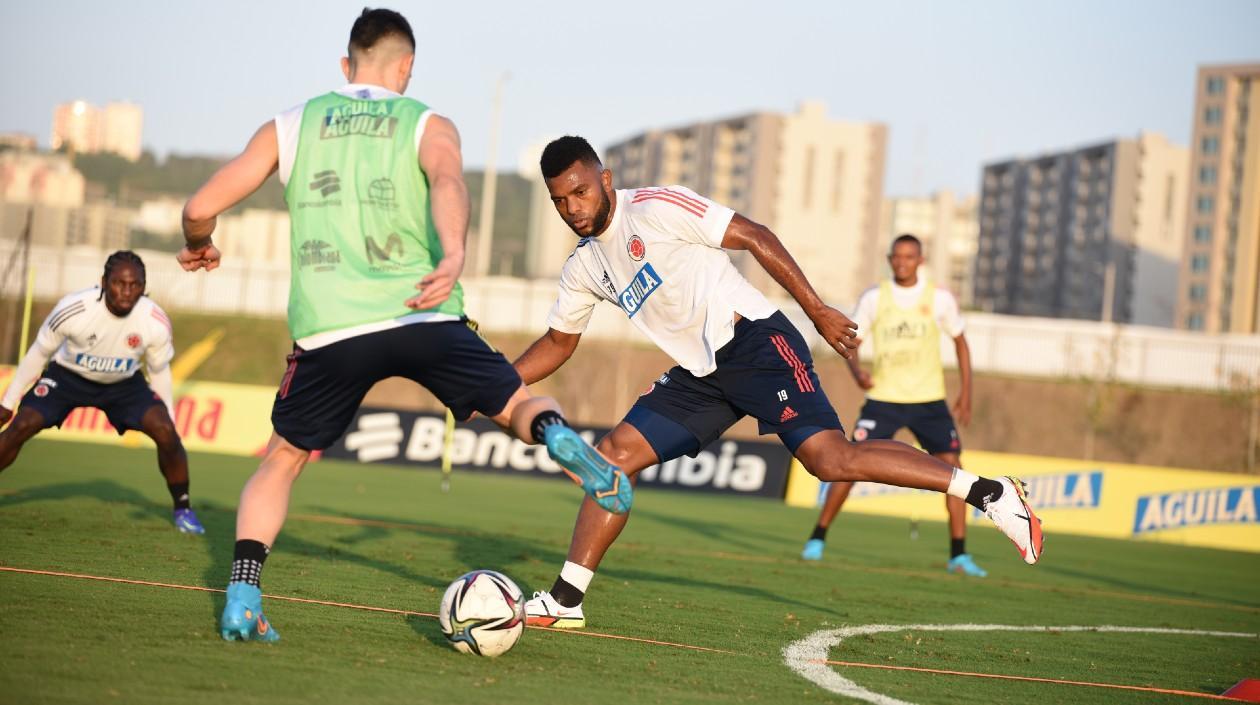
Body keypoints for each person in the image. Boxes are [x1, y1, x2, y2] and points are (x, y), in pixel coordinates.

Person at [177, 9, 630, 643]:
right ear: (406, 67)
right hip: (424, 310)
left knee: (282, 459)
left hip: (331, 327)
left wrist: (199, 241)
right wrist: (453, 253)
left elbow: (200, 206)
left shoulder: (291, 124)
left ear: (346, 65)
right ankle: (558, 438)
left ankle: (244, 592)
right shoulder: (427, 123)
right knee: (514, 403)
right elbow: (447, 182)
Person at [514, 136, 1043, 629]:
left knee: (831, 461)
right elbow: (558, 343)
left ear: (605, 179)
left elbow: (755, 236)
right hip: (700, 372)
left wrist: (817, 311)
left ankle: (990, 492)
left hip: (755, 343)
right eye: (560, 201)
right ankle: (566, 601)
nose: (572, 208)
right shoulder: (583, 267)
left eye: (580, 192)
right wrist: (497, 382)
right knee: (611, 460)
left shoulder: (655, 207)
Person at [801, 234, 985, 576]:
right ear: (889, 259)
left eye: (909, 256)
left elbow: (961, 342)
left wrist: (966, 393)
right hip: (883, 398)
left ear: (920, 261)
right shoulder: (874, 297)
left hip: (928, 400)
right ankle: (817, 538)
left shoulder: (940, 298)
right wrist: (857, 373)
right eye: (896, 256)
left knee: (953, 467)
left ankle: (959, 555)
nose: (902, 262)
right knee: (847, 462)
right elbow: (851, 342)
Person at [0, 251, 204, 535]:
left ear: (144, 287)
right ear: (104, 282)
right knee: (23, 424)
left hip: (124, 384)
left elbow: (158, 370)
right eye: (119, 283)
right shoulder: (74, 309)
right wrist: (8, 402)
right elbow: (39, 353)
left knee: (166, 432)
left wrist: (169, 415)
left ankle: (183, 509)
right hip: (67, 377)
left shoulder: (154, 320)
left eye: (135, 285)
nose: (127, 291)